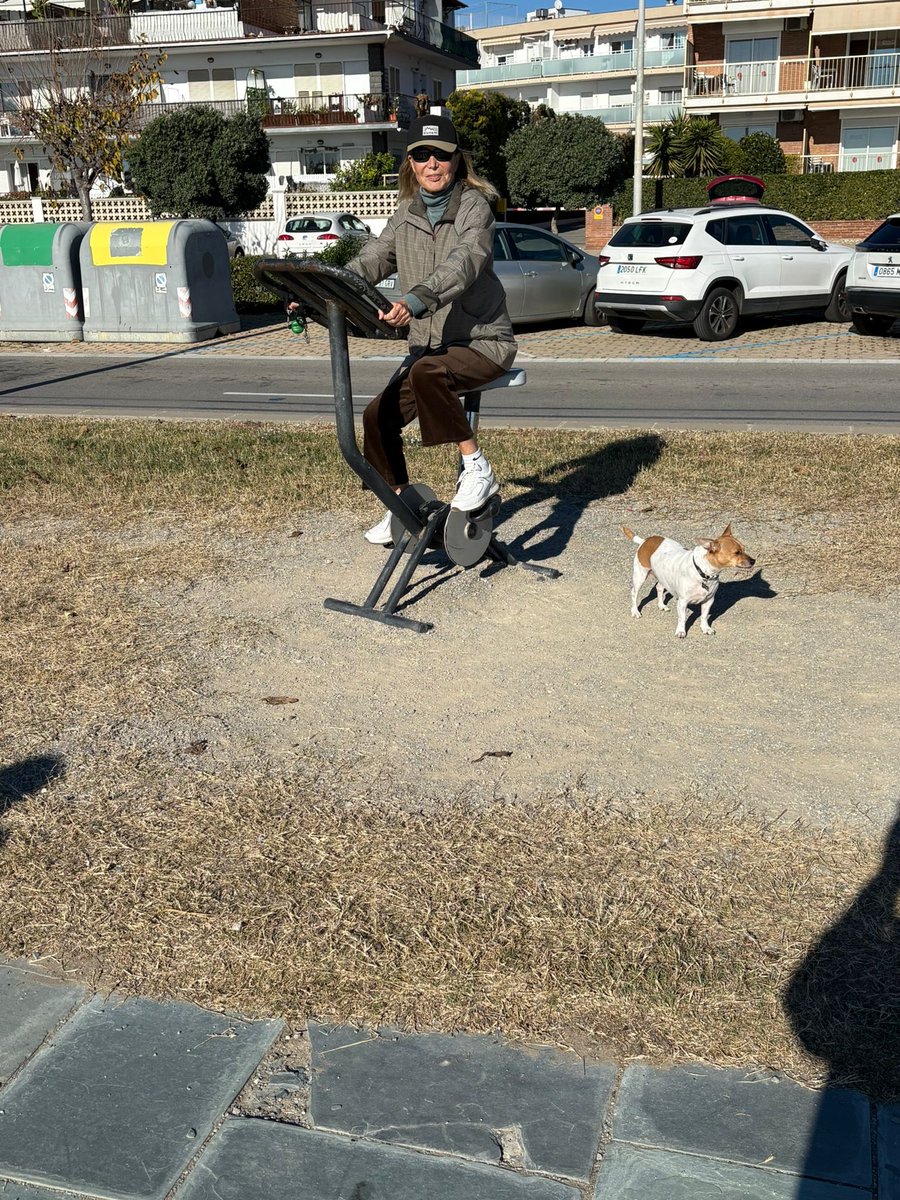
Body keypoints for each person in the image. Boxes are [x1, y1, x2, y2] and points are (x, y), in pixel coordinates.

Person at [344, 114, 516, 546]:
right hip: (430, 347)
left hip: (483, 342)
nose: (432, 164)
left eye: (441, 155)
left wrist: (416, 300)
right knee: (376, 417)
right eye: (422, 155)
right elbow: (373, 257)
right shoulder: (405, 213)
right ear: (411, 163)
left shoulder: (475, 208)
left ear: (457, 161)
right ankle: (400, 503)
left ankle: (477, 467)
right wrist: (330, 285)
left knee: (427, 373)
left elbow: (465, 263)